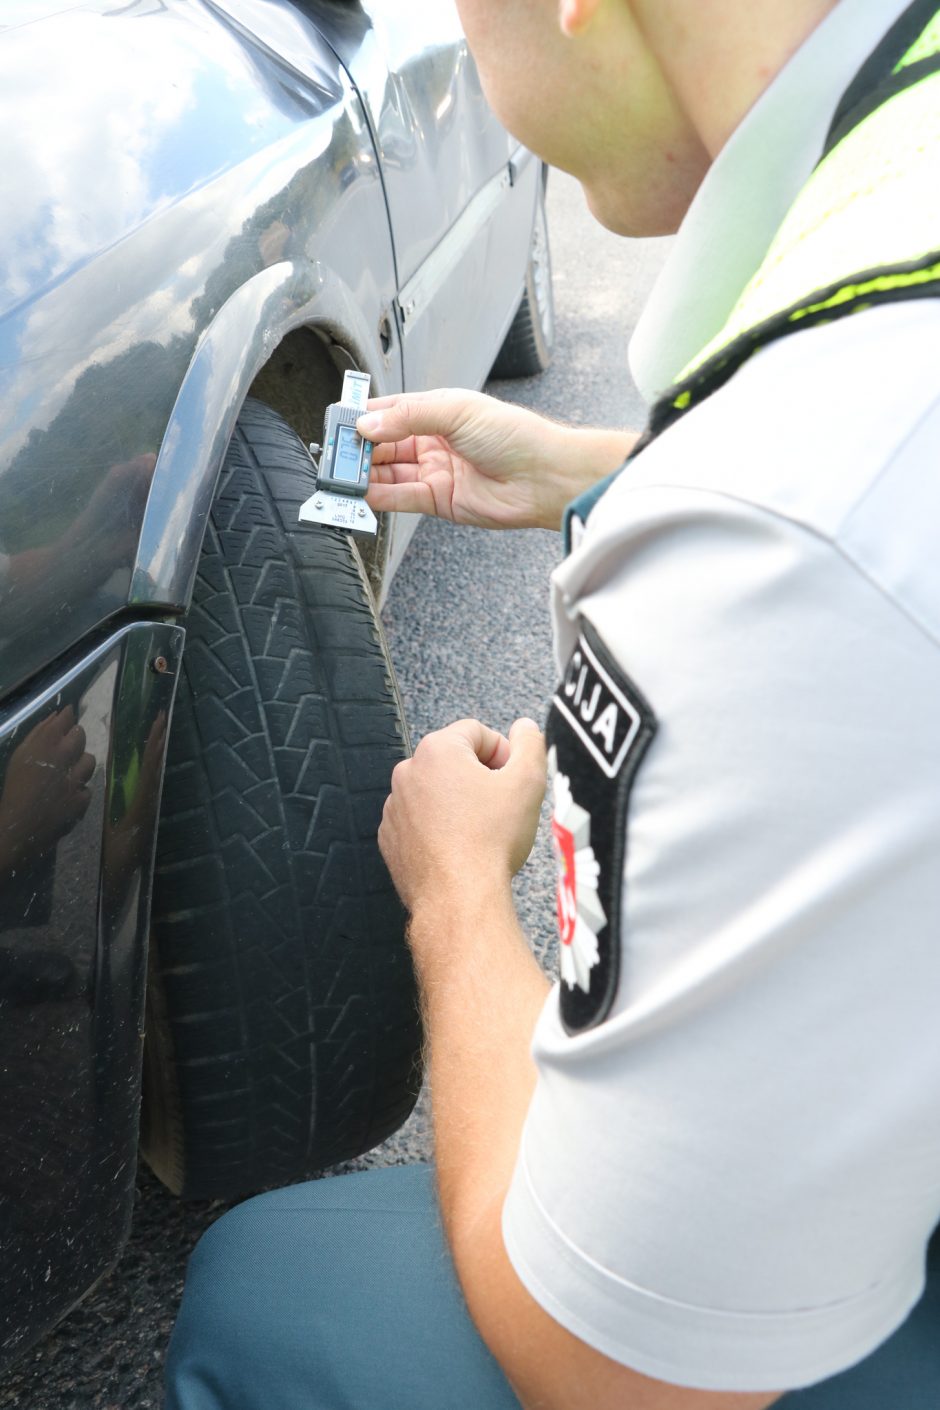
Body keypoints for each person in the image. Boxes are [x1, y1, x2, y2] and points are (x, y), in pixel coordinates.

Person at [165, 1, 940, 1407]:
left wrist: (455, 887)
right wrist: (605, 473)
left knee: (264, 1296)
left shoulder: (810, 504)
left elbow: (619, 1372)